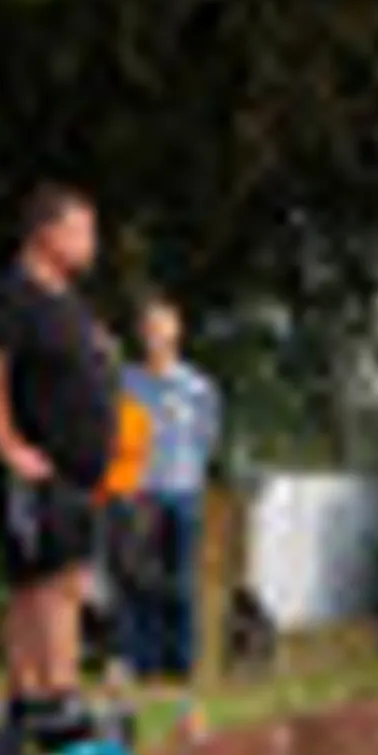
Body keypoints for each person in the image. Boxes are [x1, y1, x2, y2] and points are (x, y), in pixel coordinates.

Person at [0, 186, 118, 755]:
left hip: (77, 472)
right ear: (46, 234)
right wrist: (7, 444)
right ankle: (55, 699)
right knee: (48, 580)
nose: (91, 245)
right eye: (82, 231)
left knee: (59, 577)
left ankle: (33, 702)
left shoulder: (67, 301)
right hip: (35, 466)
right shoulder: (12, 296)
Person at [120, 293, 223, 685]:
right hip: (140, 490)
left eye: (162, 326)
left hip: (182, 490)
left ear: (176, 332)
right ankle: (143, 661)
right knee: (141, 579)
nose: (154, 335)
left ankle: (181, 663)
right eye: (148, 328)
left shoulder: (197, 388)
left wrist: (192, 474)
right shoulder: (127, 382)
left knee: (181, 580)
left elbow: (208, 437)